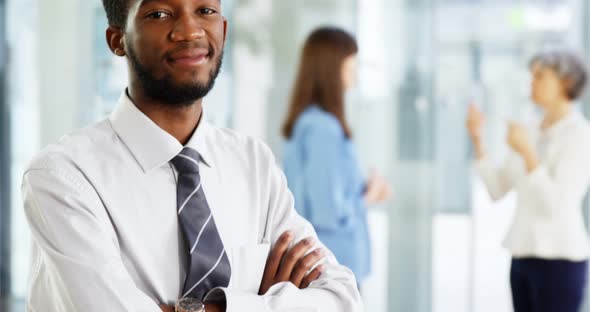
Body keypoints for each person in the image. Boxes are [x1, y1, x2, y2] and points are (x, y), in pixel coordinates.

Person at [21, 1, 363, 311]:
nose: (189, 31)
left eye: (205, 10)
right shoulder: (64, 177)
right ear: (117, 39)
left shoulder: (253, 162)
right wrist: (255, 303)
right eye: (159, 14)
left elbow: (342, 300)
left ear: (224, 30)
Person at [466, 49, 590, 312]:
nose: (532, 83)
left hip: (561, 261)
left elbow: (556, 205)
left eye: (540, 76)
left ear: (566, 82)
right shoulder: (530, 129)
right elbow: (497, 189)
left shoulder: (580, 136)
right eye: (531, 76)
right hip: (522, 256)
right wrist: (478, 139)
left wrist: (529, 154)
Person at [281, 27, 391, 286]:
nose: (355, 71)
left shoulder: (309, 123)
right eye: (350, 63)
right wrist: (370, 196)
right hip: (333, 265)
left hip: (323, 265)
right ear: (331, 67)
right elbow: (327, 211)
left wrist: (361, 188)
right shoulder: (324, 129)